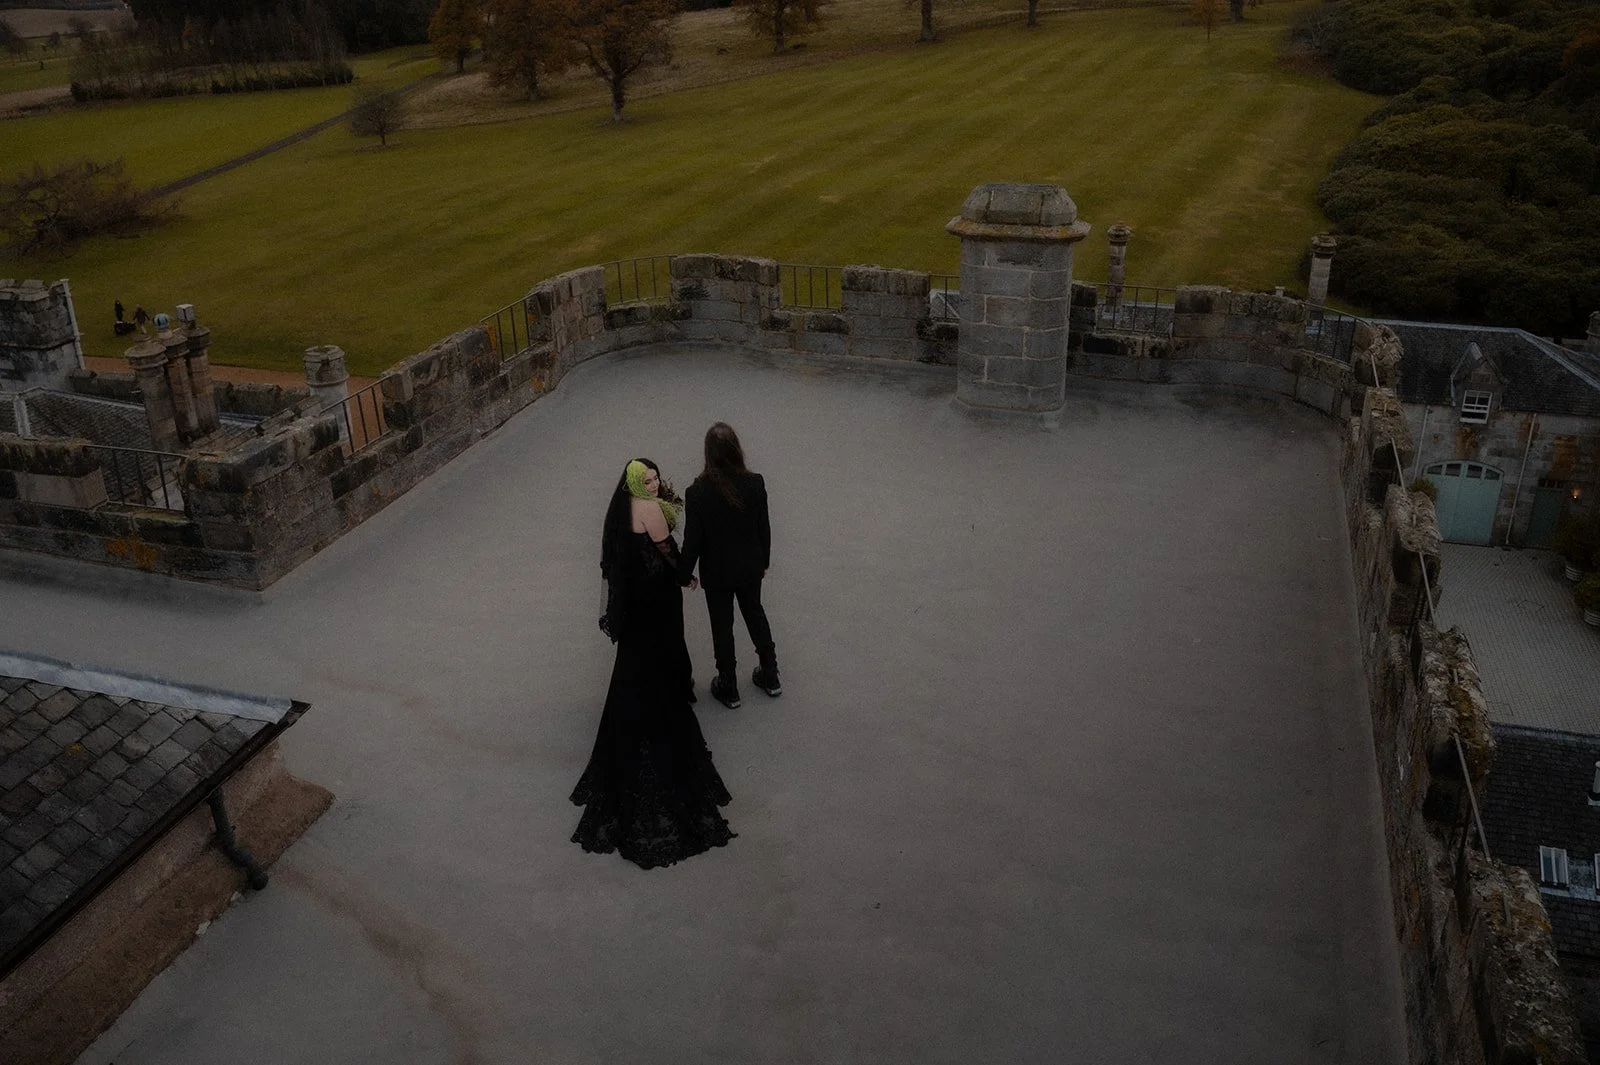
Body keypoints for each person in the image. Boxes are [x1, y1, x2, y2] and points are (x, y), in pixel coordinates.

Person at [570, 458, 734, 869]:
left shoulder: (624, 506)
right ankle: (666, 694)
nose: (655, 483)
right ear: (635, 484)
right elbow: (668, 552)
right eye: (647, 480)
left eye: (656, 477)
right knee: (660, 652)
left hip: (636, 599)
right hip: (657, 598)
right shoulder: (649, 511)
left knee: (635, 659)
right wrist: (688, 578)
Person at [678, 423, 780, 709]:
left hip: (718, 572)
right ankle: (770, 674)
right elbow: (764, 528)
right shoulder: (755, 483)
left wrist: (683, 574)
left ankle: (728, 684)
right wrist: (764, 561)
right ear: (737, 450)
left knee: (722, 625)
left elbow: (693, 541)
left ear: (708, 454)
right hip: (750, 567)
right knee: (755, 613)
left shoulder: (697, 492)